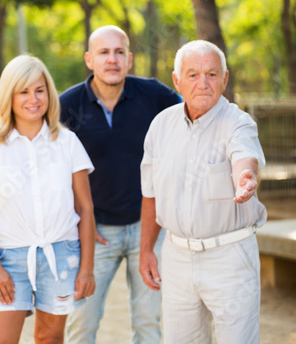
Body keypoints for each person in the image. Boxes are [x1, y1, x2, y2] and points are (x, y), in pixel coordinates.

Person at [139, 40, 266, 343]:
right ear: (177, 80)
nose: (203, 83)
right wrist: (146, 250)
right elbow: (151, 193)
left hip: (230, 258)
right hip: (176, 256)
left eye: (212, 74)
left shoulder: (238, 123)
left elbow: (244, 156)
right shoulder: (160, 126)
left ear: (225, 78)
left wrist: (247, 176)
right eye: (193, 74)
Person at [0, 55, 96, 343]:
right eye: (23, 91)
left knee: (50, 337)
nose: (32, 99)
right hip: (8, 259)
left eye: (39, 90)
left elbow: (85, 207)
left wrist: (86, 269)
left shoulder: (67, 142)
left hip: (61, 254)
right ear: (8, 95)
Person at [60, 25, 180, 343]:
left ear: (129, 59)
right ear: (89, 60)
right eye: (103, 52)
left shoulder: (154, 95)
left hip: (149, 229)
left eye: (119, 52)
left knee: (148, 322)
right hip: (95, 232)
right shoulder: (67, 106)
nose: (111, 59)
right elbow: (49, 167)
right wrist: (77, 218)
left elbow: (193, 121)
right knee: (82, 322)